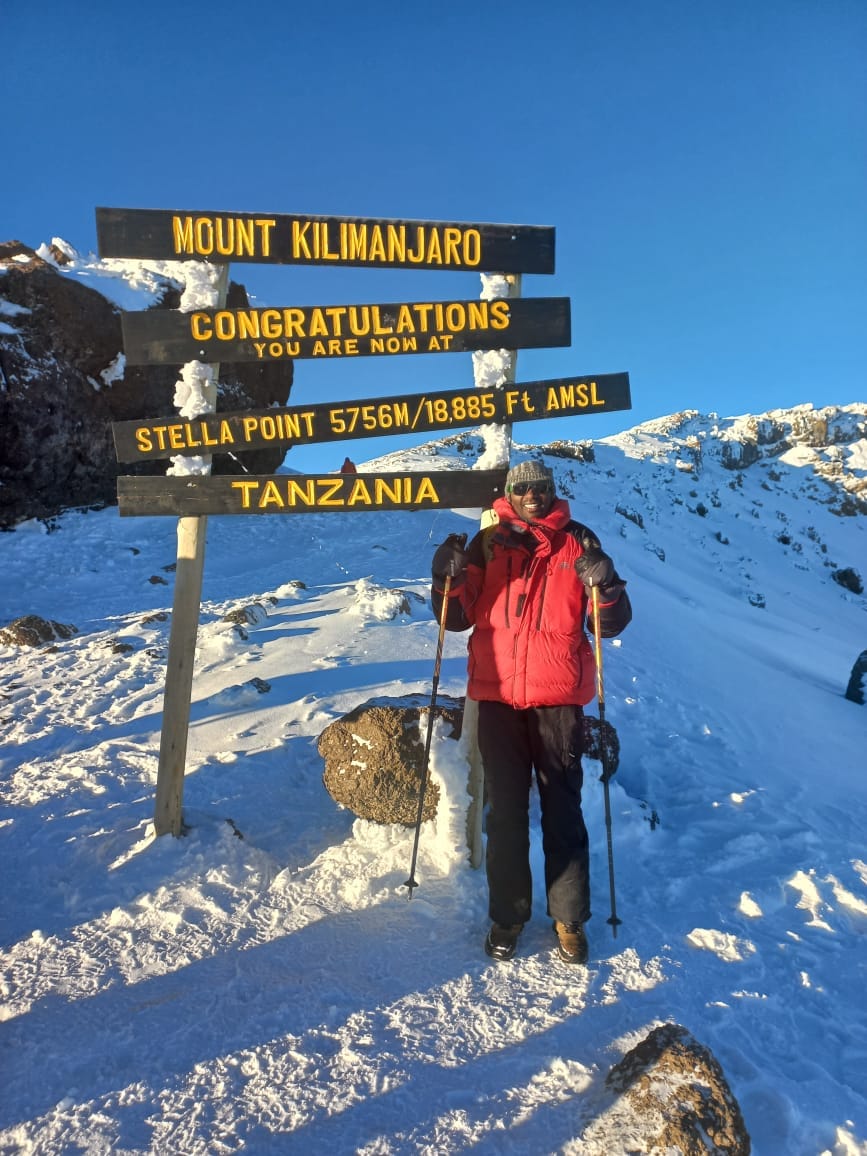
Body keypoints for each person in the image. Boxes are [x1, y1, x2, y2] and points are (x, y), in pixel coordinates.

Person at [431, 459, 631, 965]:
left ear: (552, 491)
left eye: (541, 488)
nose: (533, 496)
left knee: (562, 809)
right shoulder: (487, 544)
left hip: (557, 700)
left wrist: (606, 587)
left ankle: (569, 919)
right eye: (523, 489)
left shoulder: (578, 541)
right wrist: (445, 576)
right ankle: (508, 916)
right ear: (510, 494)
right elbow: (455, 618)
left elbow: (609, 625)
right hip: (497, 698)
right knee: (506, 815)